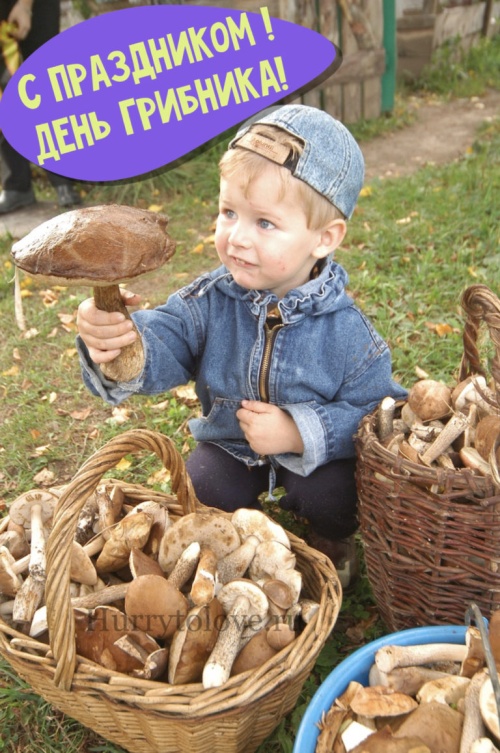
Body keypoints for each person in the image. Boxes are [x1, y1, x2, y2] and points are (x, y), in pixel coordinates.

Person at [76, 104, 407, 587]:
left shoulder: (349, 334)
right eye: (228, 212)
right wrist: (120, 344)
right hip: (232, 446)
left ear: (324, 238)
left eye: (264, 223)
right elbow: (168, 339)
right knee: (201, 486)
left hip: (314, 460)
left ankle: (331, 543)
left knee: (335, 495)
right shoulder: (211, 301)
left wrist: (300, 432)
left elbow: (382, 414)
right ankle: (229, 552)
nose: (236, 238)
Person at [0, 0, 81, 213]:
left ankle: (63, 180)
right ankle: (16, 186)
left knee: (44, 86)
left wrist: (25, 5)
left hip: (35, 6)